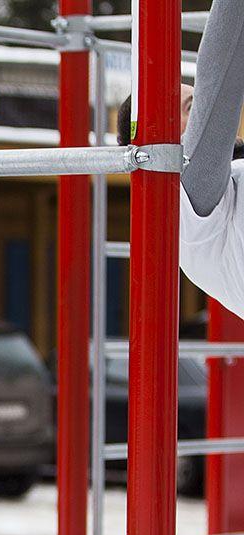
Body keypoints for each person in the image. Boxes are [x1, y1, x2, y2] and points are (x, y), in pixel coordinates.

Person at [116, 0, 244, 319]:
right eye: (190, 108)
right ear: (161, 136)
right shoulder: (182, 196)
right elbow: (220, 73)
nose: (200, 110)